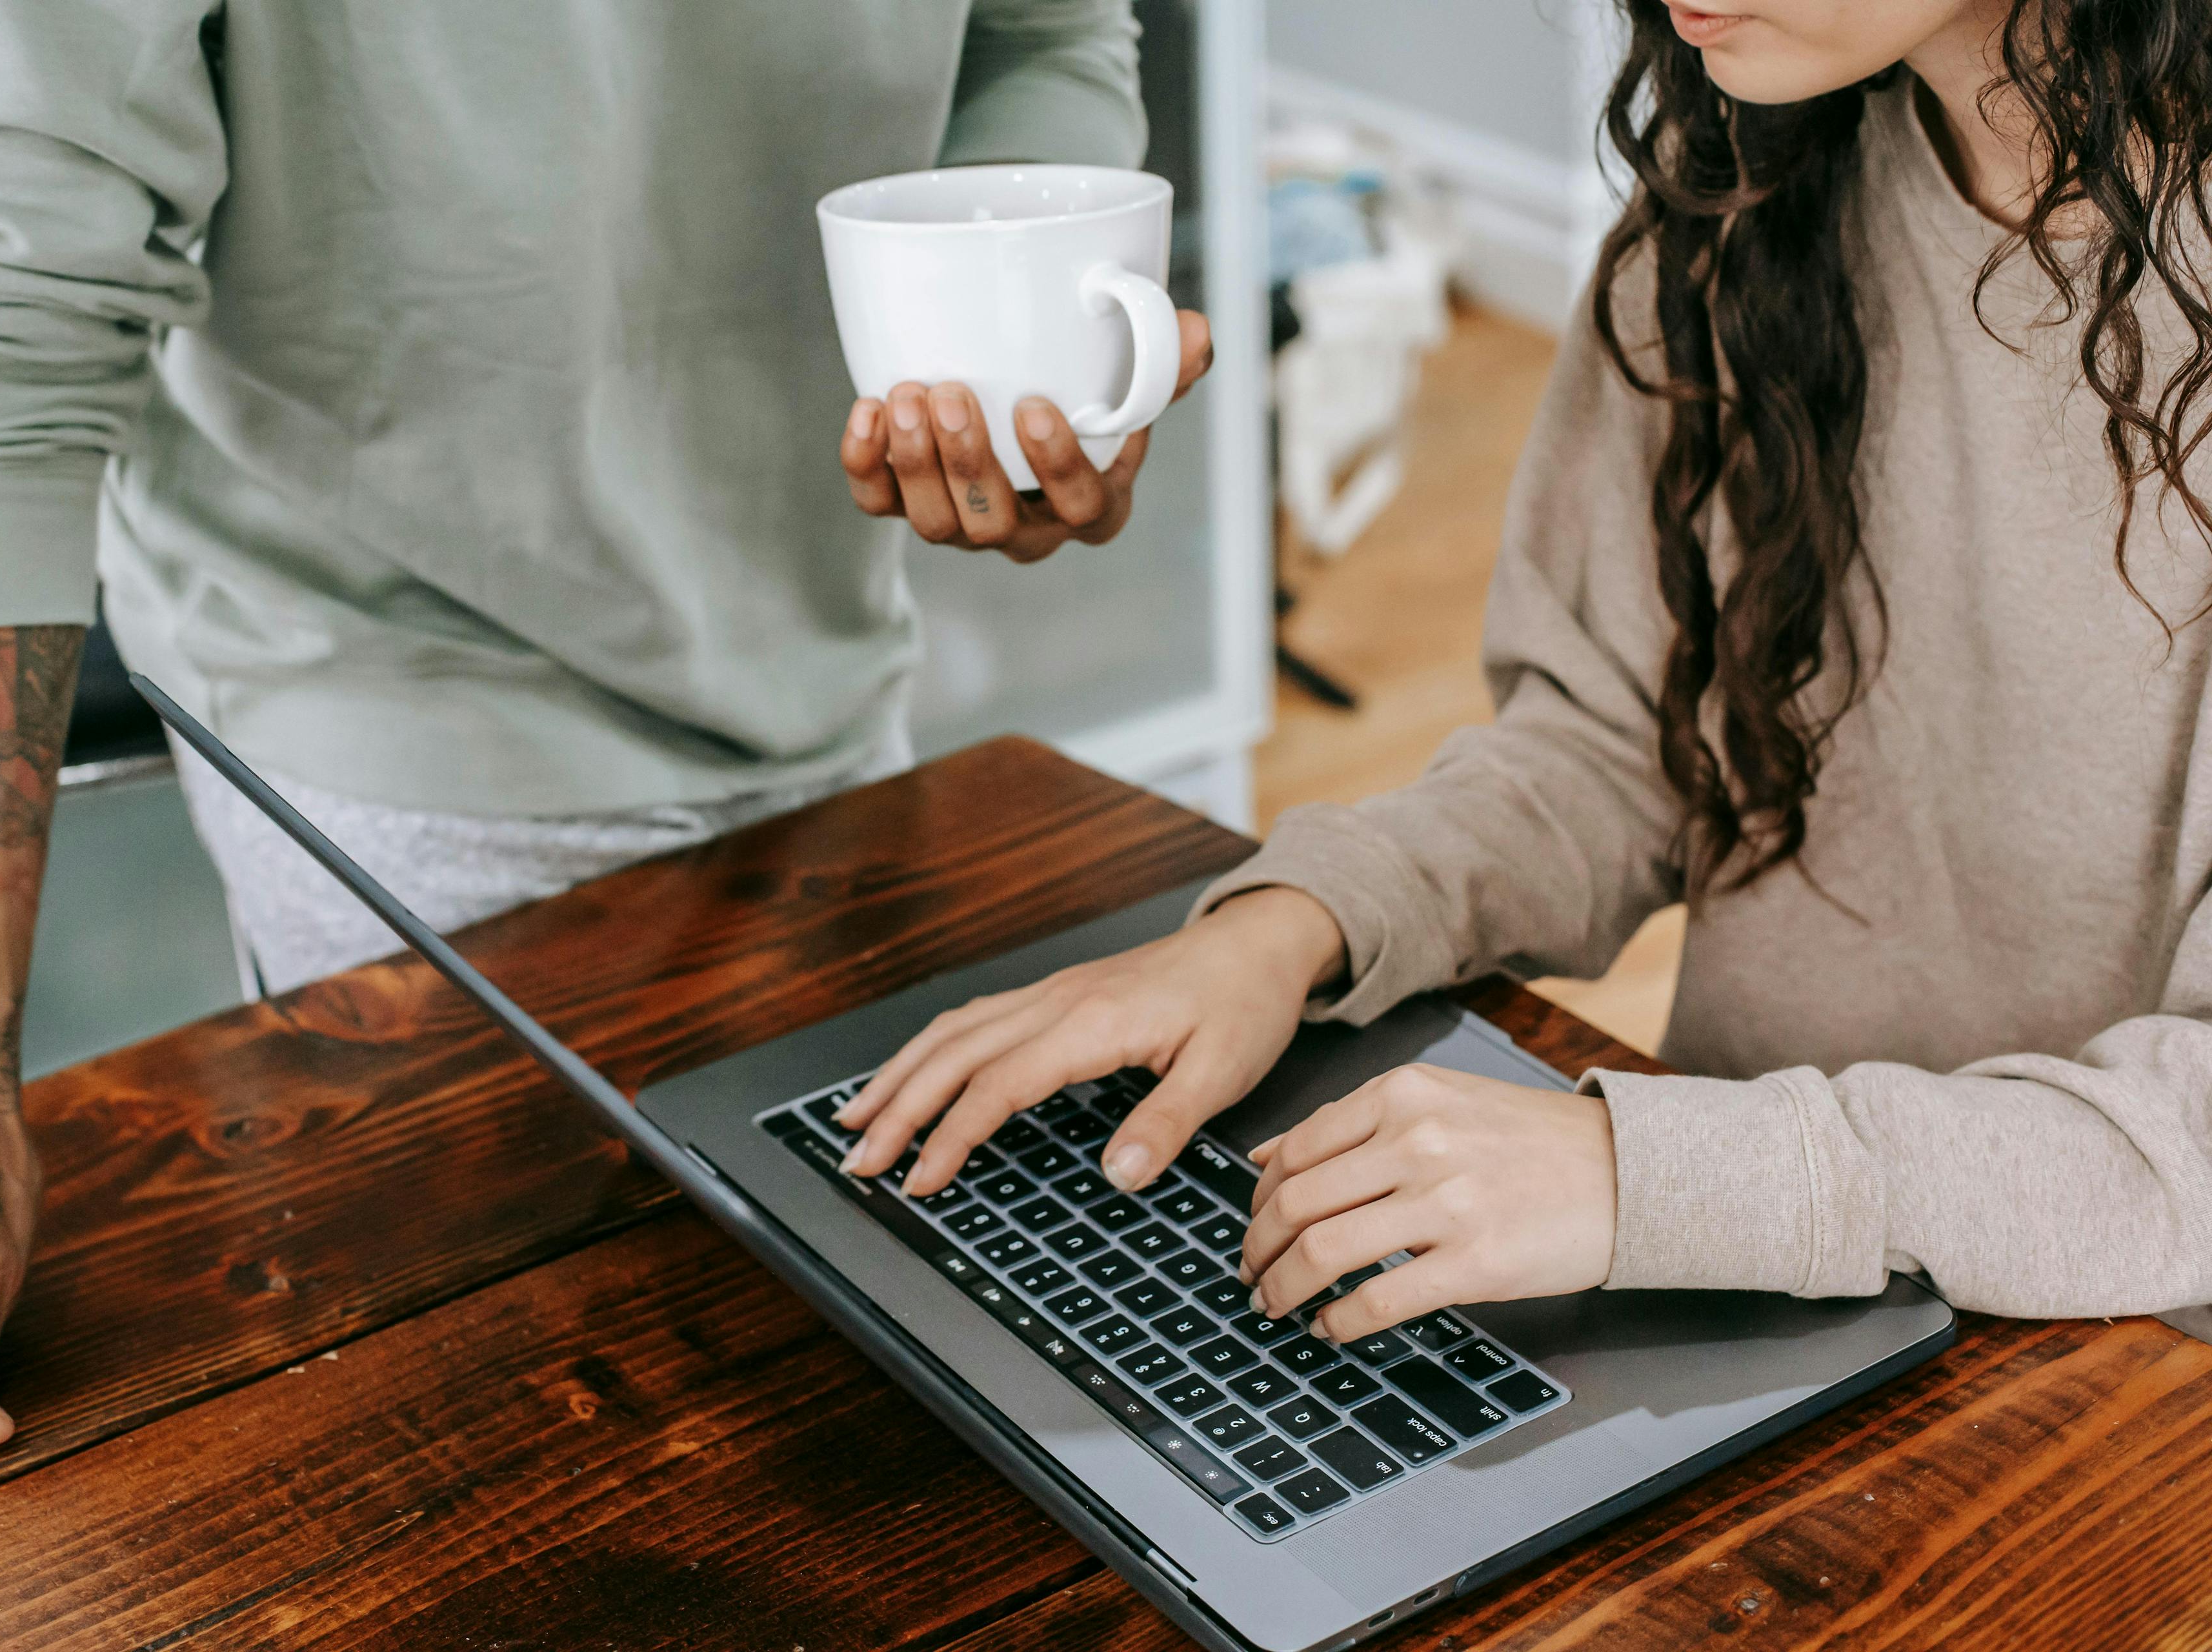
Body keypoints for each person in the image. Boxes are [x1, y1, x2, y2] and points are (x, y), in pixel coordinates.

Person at [0, 2, 1212, 1549]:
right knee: (554, 1492)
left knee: (881, 1463)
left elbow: (1043, 33)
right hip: (392, 725)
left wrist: (1001, 348)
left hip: (818, 661)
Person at [848, 0, 2212, 1347]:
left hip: (2119, 1378)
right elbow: (1623, 746)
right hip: (1739, 1295)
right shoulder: (1754, 188)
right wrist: (1294, 924)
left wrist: (1649, 1176)